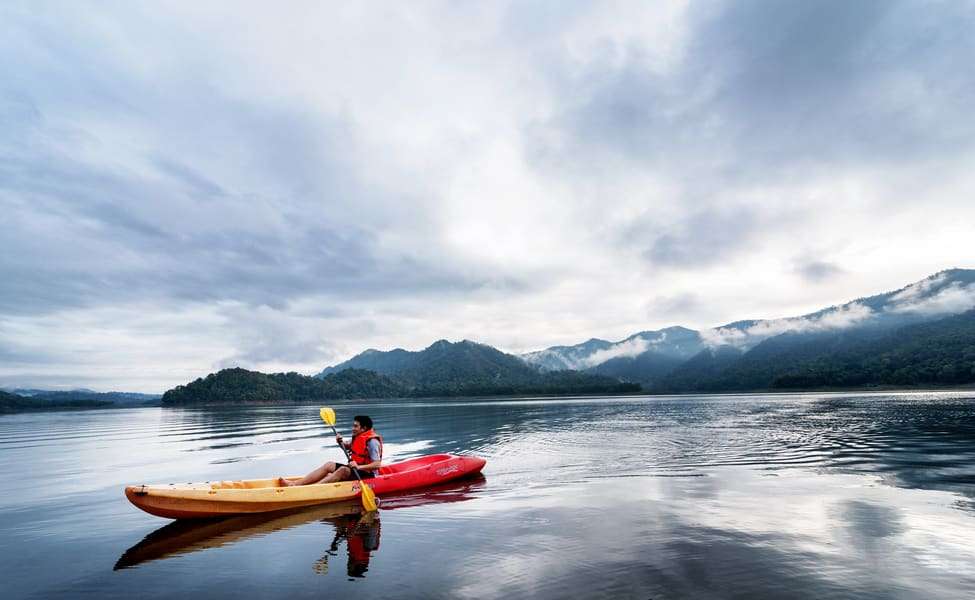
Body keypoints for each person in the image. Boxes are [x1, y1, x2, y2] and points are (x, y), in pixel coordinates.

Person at [279, 415, 383, 486]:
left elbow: (377, 464)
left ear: (363, 428)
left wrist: (359, 466)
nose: (353, 428)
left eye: (356, 426)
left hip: (369, 475)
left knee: (343, 470)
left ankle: (311, 489)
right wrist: (340, 442)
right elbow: (348, 447)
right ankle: (295, 484)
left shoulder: (372, 442)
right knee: (329, 465)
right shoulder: (358, 437)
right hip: (356, 470)